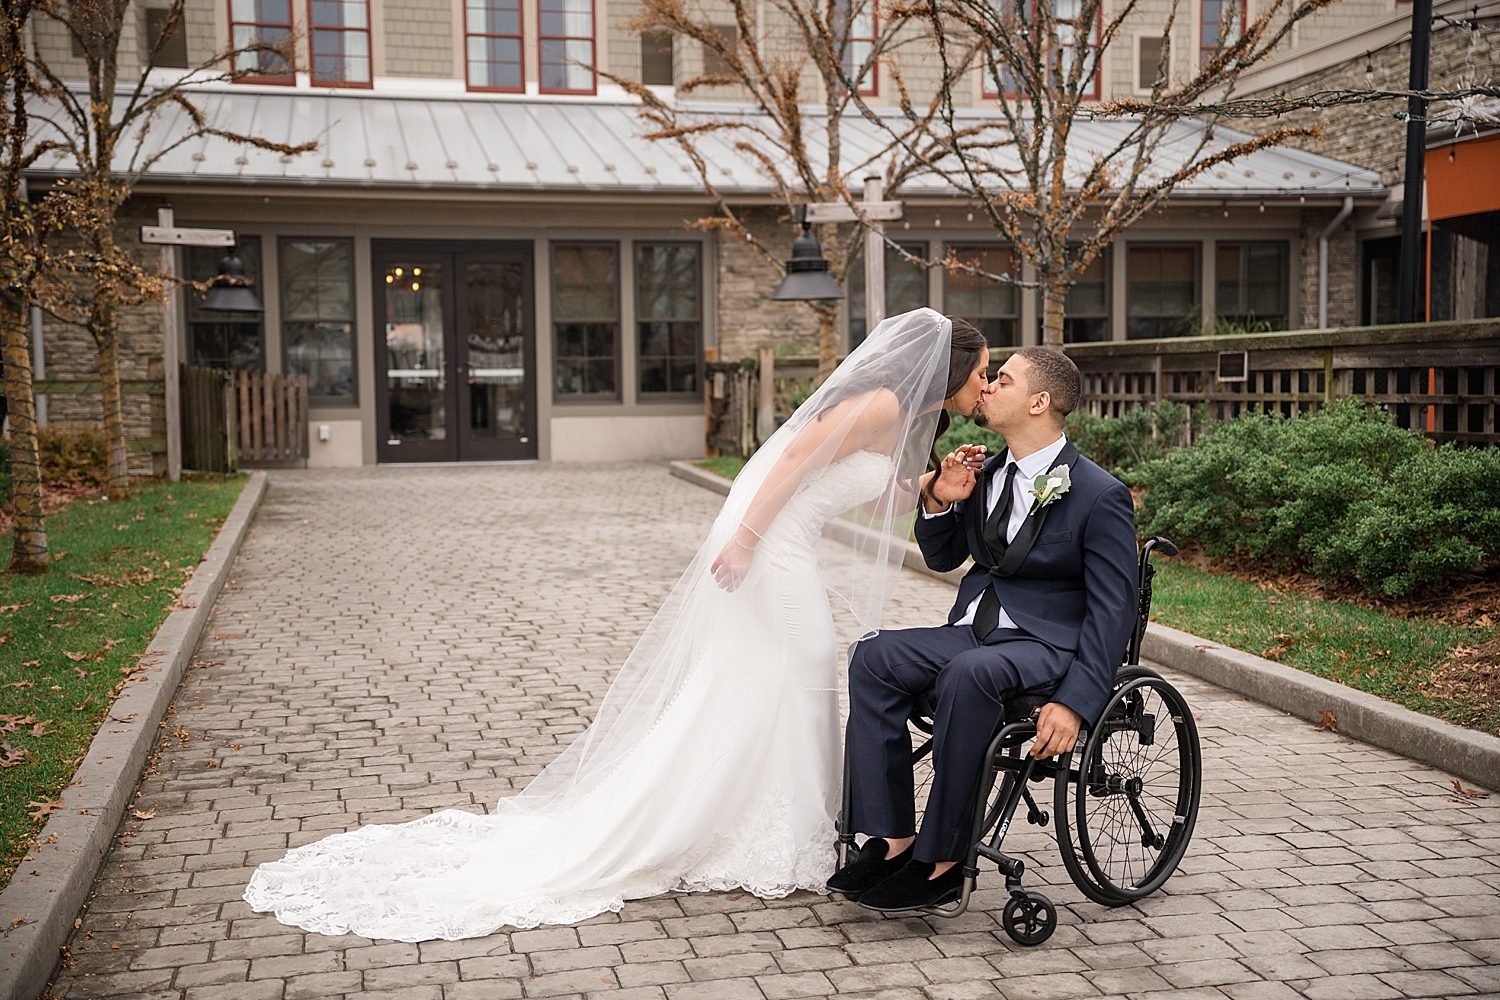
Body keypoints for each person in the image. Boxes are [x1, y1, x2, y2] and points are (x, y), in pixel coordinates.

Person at [243, 309, 990, 941]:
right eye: (983, 373)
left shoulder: (917, 418)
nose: (985, 385)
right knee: (804, 666)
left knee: (777, 678)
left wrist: (934, 485)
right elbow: (790, 462)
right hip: (773, 543)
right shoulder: (883, 406)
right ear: (949, 369)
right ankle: (782, 833)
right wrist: (747, 539)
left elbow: (869, 499)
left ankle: (787, 822)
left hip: (788, 540)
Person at [828, 346, 1139, 912]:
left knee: (972, 674)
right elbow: (945, 557)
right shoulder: (987, 472)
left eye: (1003, 379)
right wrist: (941, 501)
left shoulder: (1099, 494)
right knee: (872, 655)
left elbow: (1112, 611)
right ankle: (894, 840)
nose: (987, 386)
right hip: (974, 630)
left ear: (1039, 401)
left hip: (1046, 646)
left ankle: (942, 861)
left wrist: (1075, 702)